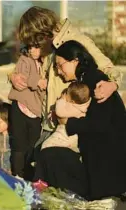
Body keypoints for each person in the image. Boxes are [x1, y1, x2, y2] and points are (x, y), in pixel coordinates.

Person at [9, 6, 122, 148]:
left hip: (69, 125)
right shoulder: (47, 47)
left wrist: (113, 84)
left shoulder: (77, 42)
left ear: (42, 32)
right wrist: (12, 76)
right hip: (48, 124)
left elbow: (109, 68)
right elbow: (24, 67)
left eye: (35, 42)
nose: (34, 46)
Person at [55, 40, 126, 200]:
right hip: (103, 157)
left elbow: (100, 123)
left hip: (107, 159)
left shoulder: (95, 81)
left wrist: (67, 123)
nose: (58, 71)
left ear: (75, 61)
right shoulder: (86, 79)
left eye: (60, 65)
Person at [34, 82, 91, 197]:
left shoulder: (70, 108)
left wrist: (61, 100)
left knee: (44, 150)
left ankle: (37, 185)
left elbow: (59, 111)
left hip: (59, 141)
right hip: (72, 143)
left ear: (72, 101)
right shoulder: (84, 107)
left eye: (66, 96)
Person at [8, 43, 47, 179]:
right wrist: (38, 82)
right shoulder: (25, 59)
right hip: (21, 105)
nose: (32, 51)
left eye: (36, 47)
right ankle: (17, 175)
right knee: (19, 144)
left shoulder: (47, 62)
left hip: (36, 110)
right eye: (30, 47)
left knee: (33, 145)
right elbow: (21, 77)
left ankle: (30, 176)